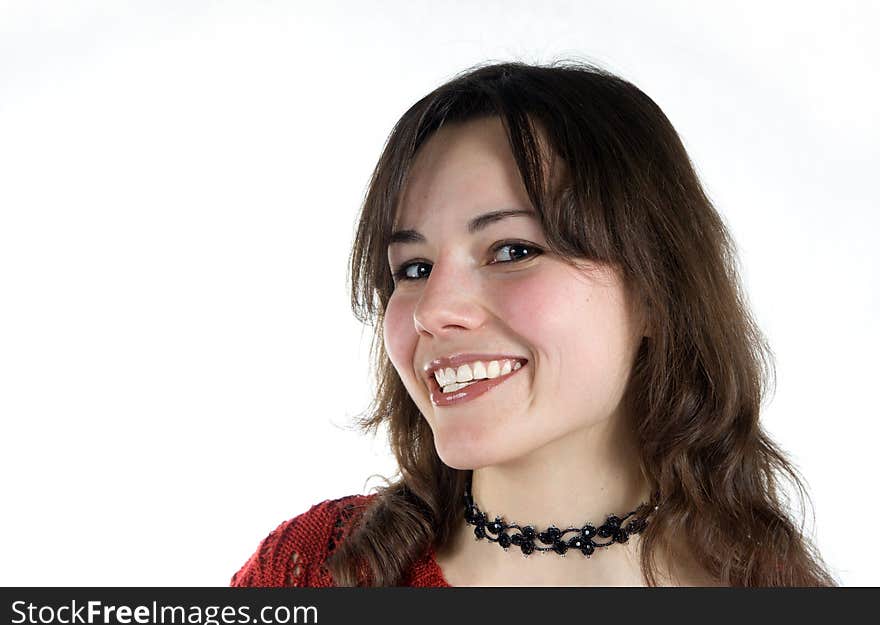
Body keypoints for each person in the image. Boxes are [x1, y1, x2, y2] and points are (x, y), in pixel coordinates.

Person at [230, 60, 837, 587]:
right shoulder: (313, 573)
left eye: (513, 251)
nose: (434, 310)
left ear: (655, 289)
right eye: (412, 267)